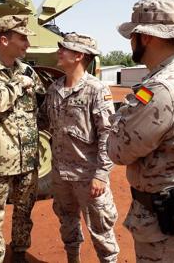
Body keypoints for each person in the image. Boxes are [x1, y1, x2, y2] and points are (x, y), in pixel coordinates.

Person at [107, 0, 174, 262]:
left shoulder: (160, 89)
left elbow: (118, 151)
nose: (131, 42)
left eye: (133, 35)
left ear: (145, 38)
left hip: (167, 230)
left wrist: (118, 120)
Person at [39, 33, 120, 263]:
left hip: (88, 176)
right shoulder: (54, 89)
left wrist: (102, 174)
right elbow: (42, 121)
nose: (59, 51)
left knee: (101, 229)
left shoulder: (96, 90)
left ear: (79, 55)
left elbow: (108, 133)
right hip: (61, 175)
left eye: (65, 48)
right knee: (67, 223)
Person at [0, 15, 45, 263]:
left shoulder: (28, 71)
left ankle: (20, 252)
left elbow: (42, 105)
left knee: (25, 212)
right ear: (4, 40)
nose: (27, 44)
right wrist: (17, 83)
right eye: (22, 38)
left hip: (27, 158)